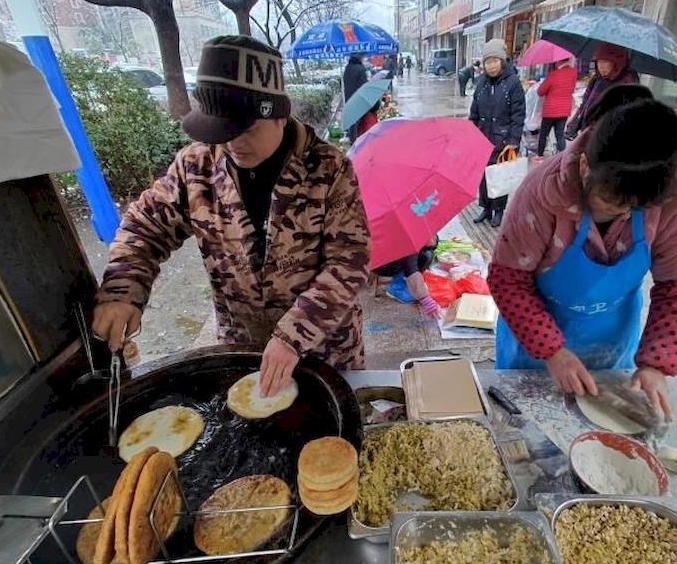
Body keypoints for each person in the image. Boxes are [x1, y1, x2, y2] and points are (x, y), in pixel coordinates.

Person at [92, 36, 371, 398]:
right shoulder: (196, 166)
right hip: (242, 352)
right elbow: (145, 227)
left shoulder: (330, 170)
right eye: (222, 131)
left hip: (326, 352)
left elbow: (348, 264)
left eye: (247, 129)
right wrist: (122, 289)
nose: (232, 143)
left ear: (280, 116)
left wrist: (293, 334)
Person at [488, 94, 677, 418]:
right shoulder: (542, 191)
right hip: (533, 347)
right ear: (584, 167)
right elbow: (509, 279)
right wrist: (551, 351)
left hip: (610, 342)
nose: (621, 213)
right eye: (609, 202)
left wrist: (657, 364)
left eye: (635, 208)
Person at [469, 39, 525, 228]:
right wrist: (470, 134)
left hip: (504, 140)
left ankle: (499, 211)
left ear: (502, 60)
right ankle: (486, 208)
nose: (491, 65)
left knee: (500, 177)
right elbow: (474, 113)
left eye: (495, 60)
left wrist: (513, 140)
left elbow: (519, 114)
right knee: (484, 176)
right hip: (483, 138)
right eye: (488, 61)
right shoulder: (481, 84)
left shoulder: (513, 83)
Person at [565, 43, 639, 140]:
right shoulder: (597, 80)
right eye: (598, 61)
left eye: (605, 62)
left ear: (617, 62)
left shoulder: (628, 83)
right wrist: (574, 125)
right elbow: (585, 105)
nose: (601, 66)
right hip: (589, 135)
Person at [375, 237, 440, 319]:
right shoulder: (403, 236)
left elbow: (431, 240)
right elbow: (411, 267)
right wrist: (425, 300)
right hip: (383, 263)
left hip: (399, 254)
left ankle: (406, 283)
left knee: (427, 254)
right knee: (420, 258)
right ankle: (396, 288)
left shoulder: (412, 228)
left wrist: (432, 240)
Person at [536, 59, 576, 156]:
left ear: (558, 62)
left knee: (543, 135)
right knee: (560, 134)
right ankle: (561, 158)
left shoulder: (553, 74)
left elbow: (540, 92)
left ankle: (540, 155)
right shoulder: (573, 73)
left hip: (550, 110)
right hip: (564, 110)